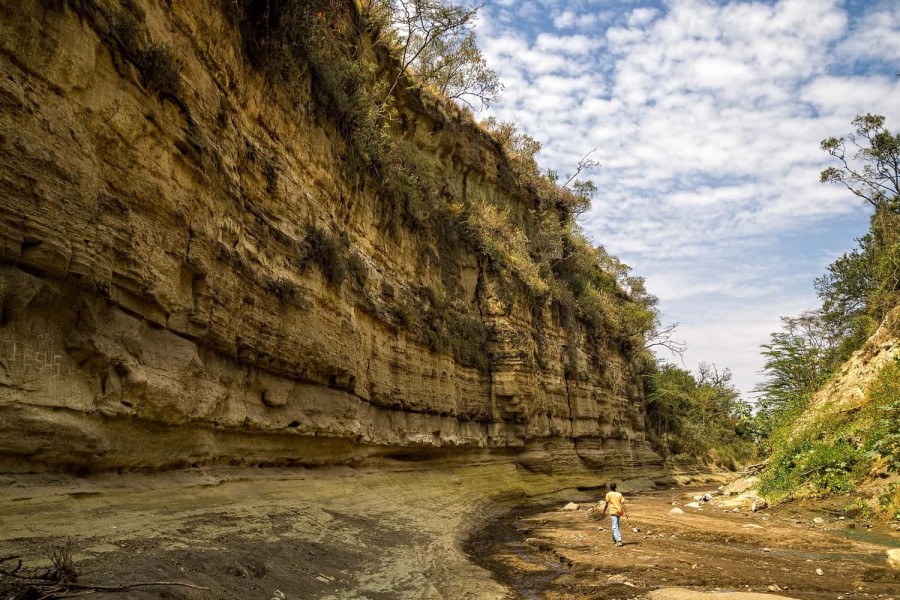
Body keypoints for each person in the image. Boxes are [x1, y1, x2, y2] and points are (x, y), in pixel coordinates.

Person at [599, 481, 627, 546]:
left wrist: (604, 511)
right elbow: (623, 503)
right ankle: (615, 539)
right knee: (616, 525)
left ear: (610, 487)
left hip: (613, 511)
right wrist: (625, 512)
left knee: (615, 526)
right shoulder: (619, 494)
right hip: (620, 511)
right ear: (616, 487)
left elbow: (606, 504)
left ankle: (619, 540)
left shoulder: (608, 494)